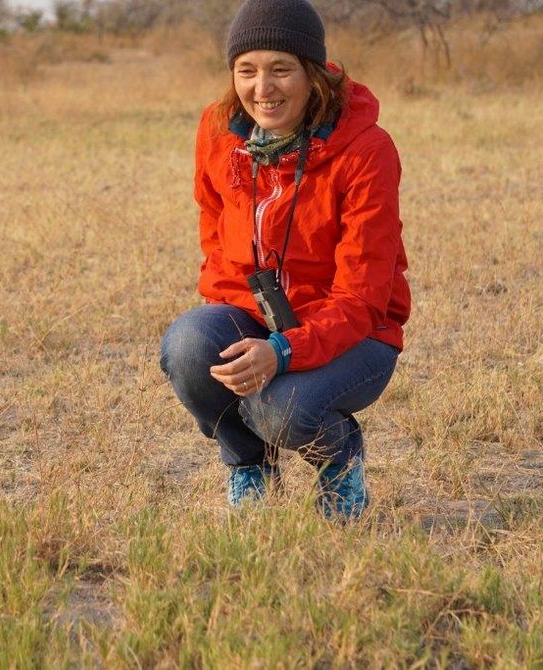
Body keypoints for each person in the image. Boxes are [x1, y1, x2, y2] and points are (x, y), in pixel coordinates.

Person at [160, 0, 410, 519]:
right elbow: (213, 220)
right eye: (246, 71)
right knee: (189, 346)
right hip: (257, 311)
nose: (262, 88)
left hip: (356, 333)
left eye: (281, 69)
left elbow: (363, 297)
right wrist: (229, 318)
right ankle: (249, 465)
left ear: (312, 73)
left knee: (279, 407)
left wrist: (283, 351)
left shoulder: (367, 149)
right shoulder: (217, 130)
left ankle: (340, 462)